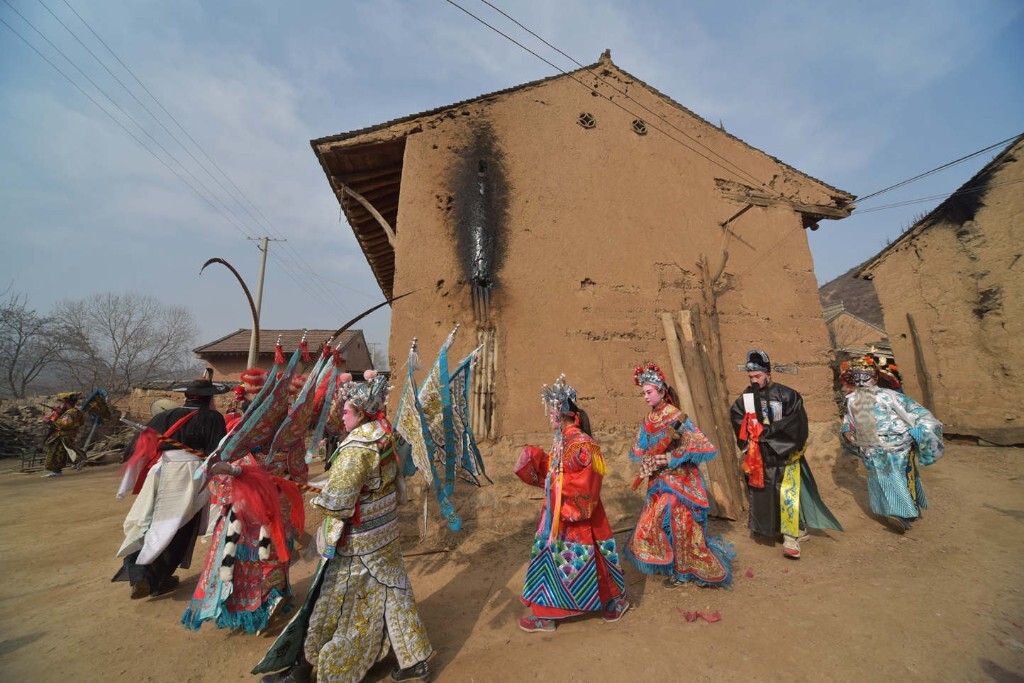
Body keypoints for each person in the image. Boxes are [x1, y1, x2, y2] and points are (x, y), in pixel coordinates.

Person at [256, 373, 432, 683]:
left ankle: (323, 665)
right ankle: (415, 659)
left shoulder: (357, 448)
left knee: (335, 600)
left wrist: (315, 498)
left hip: (359, 543)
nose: (342, 417)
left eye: (346, 411)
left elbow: (338, 503)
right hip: (384, 533)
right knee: (396, 591)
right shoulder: (384, 433)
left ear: (361, 412)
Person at [514, 374, 629, 633]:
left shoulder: (582, 444)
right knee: (557, 559)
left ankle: (612, 600)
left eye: (552, 412)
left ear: (564, 413)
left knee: (587, 557)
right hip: (556, 512)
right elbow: (557, 472)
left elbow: (587, 482)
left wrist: (558, 488)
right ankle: (547, 612)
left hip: (574, 512)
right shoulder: (561, 441)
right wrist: (539, 463)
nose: (550, 417)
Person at [113, 377, 228, 599]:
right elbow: (217, 452)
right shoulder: (212, 417)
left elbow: (134, 449)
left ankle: (141, 572)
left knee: (149, 519)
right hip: (190, 475)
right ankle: (153, 576)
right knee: (179, 526)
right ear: (209, 399)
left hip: (161, 471)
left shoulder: (163, 416)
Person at [624, 363, 734, 587]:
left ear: (662, 391)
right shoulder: (648, 421)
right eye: (643, 393)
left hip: (681, 482)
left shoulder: (677, 417)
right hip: (658, 481)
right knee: (653, 521)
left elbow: (699, 443)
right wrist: (647, 462)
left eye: (649, 392)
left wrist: (669, 458)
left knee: (681, 522)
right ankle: (672, 564)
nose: (646, 397)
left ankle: (685, 571)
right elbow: (642, 448)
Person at [730, 350, 842, 559]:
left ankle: (791, 536)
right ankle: (769, 528)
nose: (754, 381)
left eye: (757, 376)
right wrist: (749, 441)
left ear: (768, 374)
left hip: (785, 454)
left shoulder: (788, 395)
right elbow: (737, 417)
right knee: (764, 493)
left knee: (787, 494)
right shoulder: (746, 398)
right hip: (761, 457)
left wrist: (768, 434)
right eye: (751, 377)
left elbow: (796, 424)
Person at [840, 357, 944, 532]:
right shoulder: (851, 400)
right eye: (857, 378)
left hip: (898, 445)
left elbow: (917, 414)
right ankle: (898, 511)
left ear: (874, 378)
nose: (861, 382)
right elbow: (849, 421)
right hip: (870, 448)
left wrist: (918, 432)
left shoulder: (890, 396)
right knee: (879, 480)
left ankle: (901, 514)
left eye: (865, 377)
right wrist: (847, 432)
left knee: (897, 478)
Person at [40, 391, 85, 478]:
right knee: (63, 453)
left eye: (62, 402)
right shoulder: (76, 411)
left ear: (66, 402)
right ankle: (59, 469)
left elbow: (63, 425)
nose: (61, 405)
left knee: (56, 453)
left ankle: (57, 470)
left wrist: (49, 421)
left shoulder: (70, 413)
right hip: (67, 435)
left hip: (62, 435)